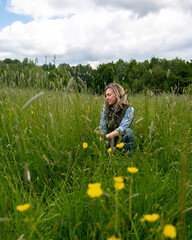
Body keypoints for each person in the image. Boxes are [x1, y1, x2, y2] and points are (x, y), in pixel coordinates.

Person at [99, 83, 134, 154]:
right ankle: (107, 152)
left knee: (128, 131)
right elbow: (103, 128)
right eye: (106, 96)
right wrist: (101, 136)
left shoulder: (129, 109)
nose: (106, 98)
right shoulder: (105, 110)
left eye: (109, 95)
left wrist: (107, 136)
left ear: (117, 94)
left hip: (121, 140)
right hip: (108, 140)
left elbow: (122, 128)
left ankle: (127, 158)